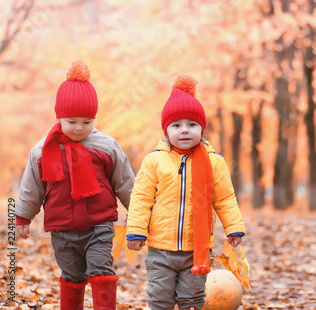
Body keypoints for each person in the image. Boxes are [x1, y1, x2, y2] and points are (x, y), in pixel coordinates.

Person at [15, 59, 135, 310]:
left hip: (99, 226)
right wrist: (23, 217)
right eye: (72, 121)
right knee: (72, 275)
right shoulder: (42, 151)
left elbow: (124, 182)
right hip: (63, 229)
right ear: (59, 117)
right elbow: (32, 187)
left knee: (101, 269)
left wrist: (138, 214)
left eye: (87, 122)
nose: (80, 128)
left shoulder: (106, 146)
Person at [126, 74, 246, 310]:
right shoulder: (154, 161)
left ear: (202, 128)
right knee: (159, 297)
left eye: (192, 125)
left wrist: (233, 227)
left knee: (192, 299)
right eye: (176, 125)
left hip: (197, 249)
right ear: (166, 130)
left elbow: (225, 199)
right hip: (160, 248)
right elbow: (141, 198)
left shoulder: (214, 162)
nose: (184, 131)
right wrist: (136, 231)